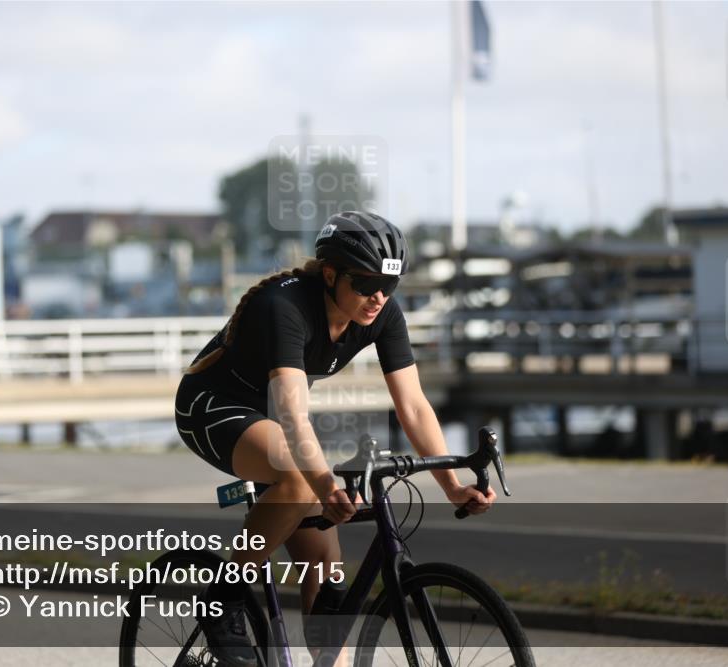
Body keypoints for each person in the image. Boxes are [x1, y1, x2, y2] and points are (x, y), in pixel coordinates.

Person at [174, 211, 497, 665]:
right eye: (365, 284)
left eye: (390, 285)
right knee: (302, 477)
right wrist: (325, 485)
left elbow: (414, 407)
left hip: (274, 420)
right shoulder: (284, 307)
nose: (378, 297)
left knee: (328, 578)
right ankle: (224, 598)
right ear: (330, 274)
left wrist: (451, 485)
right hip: (213, 408)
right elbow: (290, 410)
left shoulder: (382, 312)